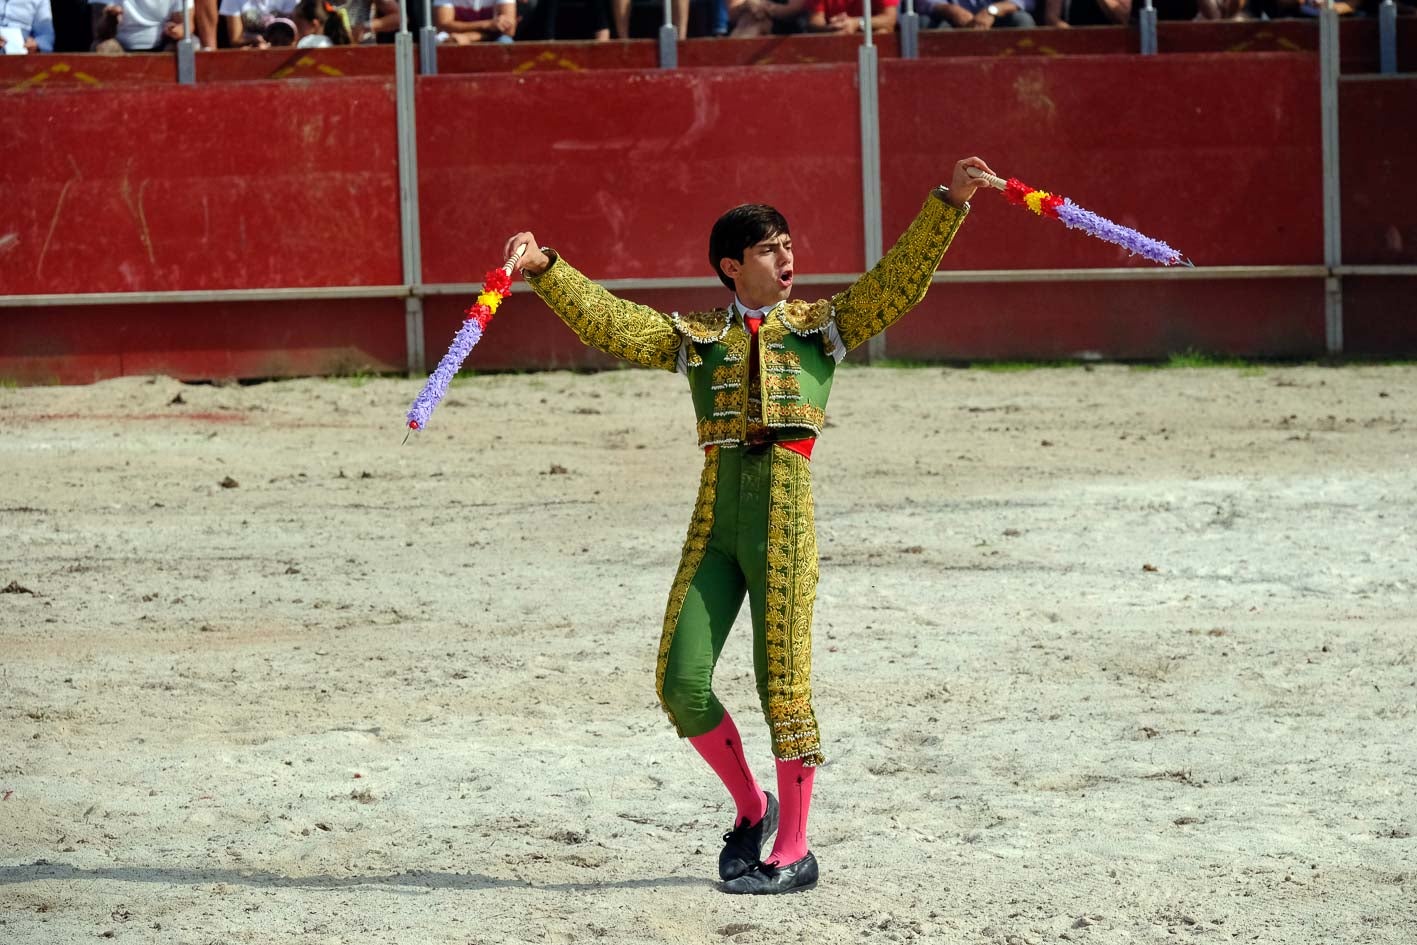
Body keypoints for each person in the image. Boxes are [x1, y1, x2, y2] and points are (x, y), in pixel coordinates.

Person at [502, 156, 994, 895]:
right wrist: (545, 268)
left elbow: (897, 281)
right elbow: (614, 324)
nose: (787, 257)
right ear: (732, 266)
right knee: (679, 680)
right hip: (716, 512)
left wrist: (948, 203)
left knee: (783, 687)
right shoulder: (697, 334)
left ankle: (794, 848)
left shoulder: (823, 325)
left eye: (788, 244)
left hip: (784, 512)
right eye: (769, 248)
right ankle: (751, 807)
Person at [432, 0, 516, 44]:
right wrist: (488, 24)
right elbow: (442, 25)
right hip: (455, 38)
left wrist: (469, 37)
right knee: (445, 44)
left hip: (462, 37)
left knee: (504, 42)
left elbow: (509, 30)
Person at [921, 0, 1036, 28]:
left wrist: (993, 11)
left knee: (1022, 20)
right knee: (924, 24)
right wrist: (951, 10)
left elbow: (1027, 1)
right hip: (952, 21)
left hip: (996, 20)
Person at [804, 0, 895, 33]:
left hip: (872, 40)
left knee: (883, 31)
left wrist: (856, 23)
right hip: (835, 43)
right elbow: (815, 21)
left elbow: (890, 19)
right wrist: (832, 28)